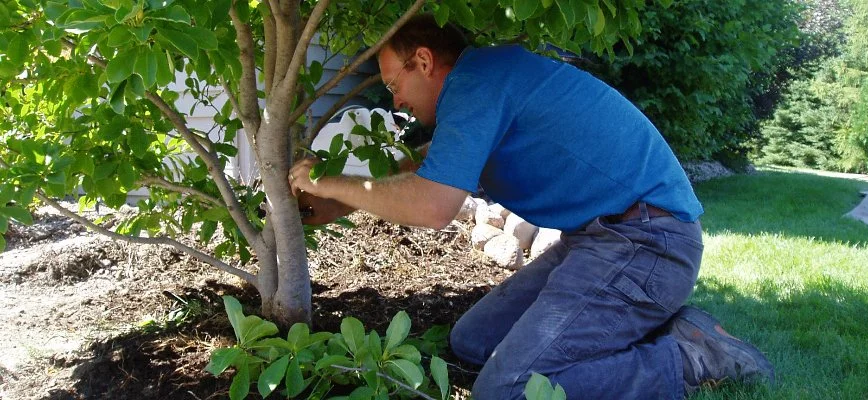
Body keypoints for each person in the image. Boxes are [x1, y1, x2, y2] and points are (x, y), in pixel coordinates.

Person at [289, 14, 775, 399]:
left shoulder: (476, 83)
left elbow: (435, 206)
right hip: (601, 242)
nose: (396, 103)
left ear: (423, 61)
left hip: (647, 246)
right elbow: (428, 170)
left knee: (508, 391)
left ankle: (690, 359)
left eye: (394, 84)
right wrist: (337, 203)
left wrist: (326, 180)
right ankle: (654, 324)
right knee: (471, 342)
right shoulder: (483, 83)